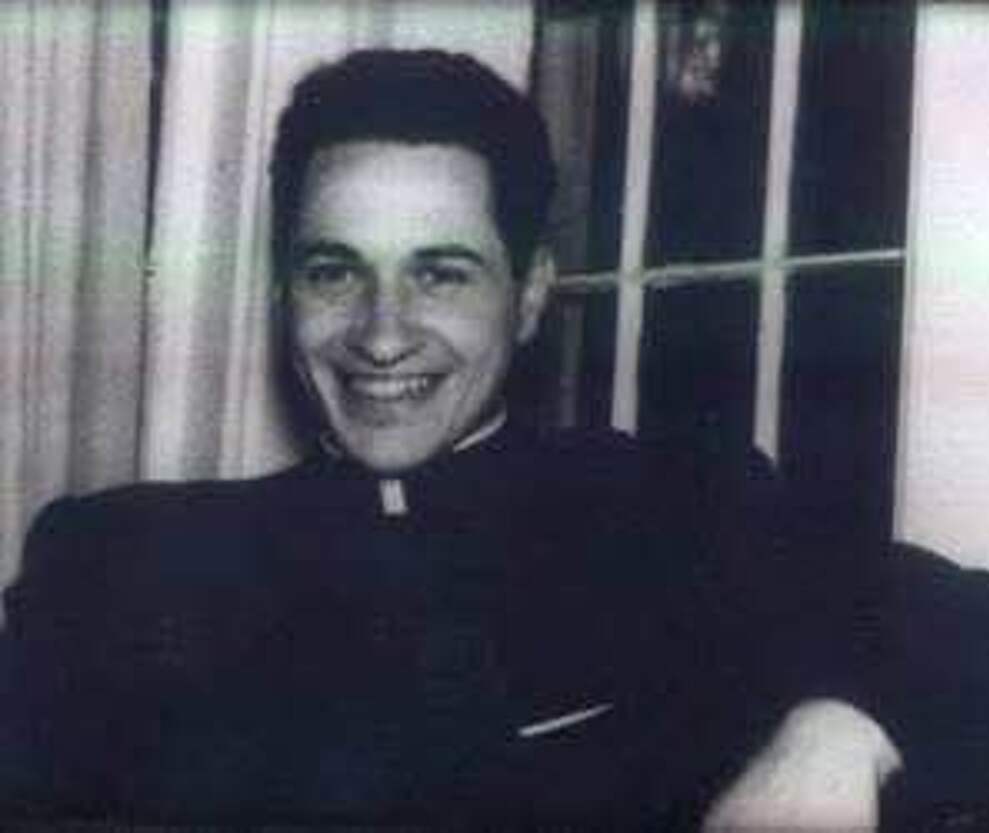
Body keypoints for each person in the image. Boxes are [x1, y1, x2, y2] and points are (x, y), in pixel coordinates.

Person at [0, 49, 899, 829]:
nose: (382, 334)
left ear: (531, 294)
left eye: (440, 274)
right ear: (282, 292)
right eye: (334, 271)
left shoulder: (678, 515)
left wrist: (834, 732)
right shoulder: (120, 564)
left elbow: (937, 627)